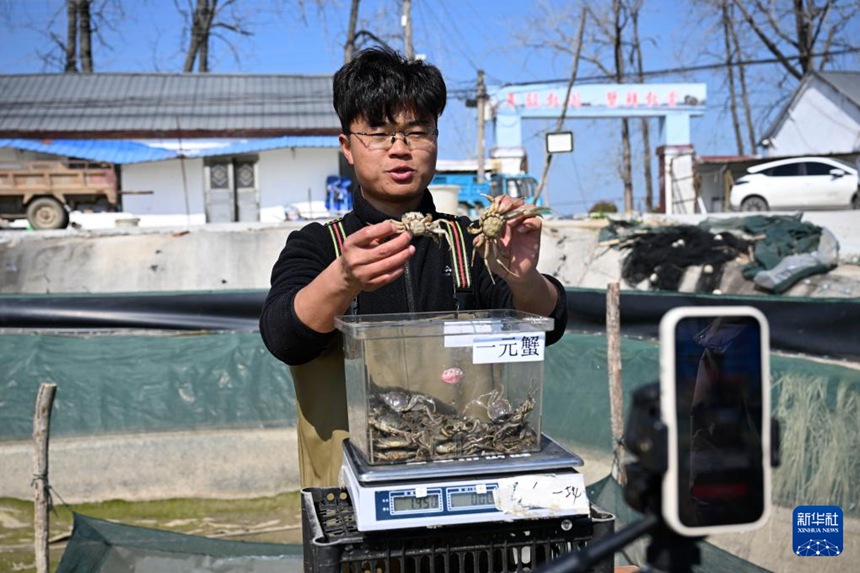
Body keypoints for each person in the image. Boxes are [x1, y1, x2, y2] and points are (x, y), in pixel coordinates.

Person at [259, 46, 568, 488]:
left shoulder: (471, 242)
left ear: (435, 141)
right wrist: (342, 280)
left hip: (465, 475)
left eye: (417, 132)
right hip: (352, 489)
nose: (400, 149)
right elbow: (283, 337)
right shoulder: (319, 246)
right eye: (379, 133)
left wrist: (522, 276)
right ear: (348, 147)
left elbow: (546, 326)